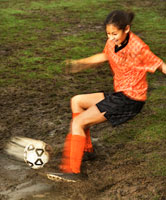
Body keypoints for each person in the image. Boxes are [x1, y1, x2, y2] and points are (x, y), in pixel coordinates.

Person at [47, 10, 166, 182]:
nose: (111, 38)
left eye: (114, 34)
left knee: (78, 122)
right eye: (108, 34)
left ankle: (73, 172)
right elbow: (105, 55)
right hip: (120, 94)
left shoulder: (138, 47)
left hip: (130, 99)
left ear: (127, 29)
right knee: (77, 101)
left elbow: (161, 65)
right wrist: (82, 63)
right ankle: (87, 150)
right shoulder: (113, 41)